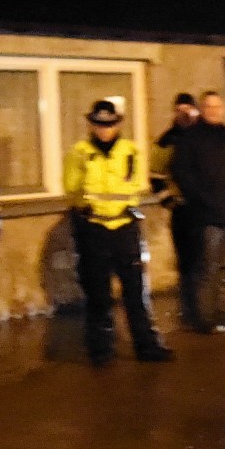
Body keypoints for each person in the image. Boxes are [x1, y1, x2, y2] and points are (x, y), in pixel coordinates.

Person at [64, 100, 173, 366]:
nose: (104, 129)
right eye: (100, 124)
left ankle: (146, 346)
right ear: (91, 124)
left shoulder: (130, 150)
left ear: (118, 123)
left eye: (110, 124)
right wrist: (86, 209)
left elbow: (136, 184)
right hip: (94, 227)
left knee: (136, 291)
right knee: (98, 292)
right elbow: (71, 187)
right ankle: (101, 349)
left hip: (124, 226)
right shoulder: (79, 152)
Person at [169, 91, 225, 333]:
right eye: (209, 106)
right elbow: (182, 174)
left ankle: (224, 310)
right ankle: (204, 316)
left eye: (218, 106)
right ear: (202, 109)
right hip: (205, 216)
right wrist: (204, 201)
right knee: (206, 268)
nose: (214, 111)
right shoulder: (191, 139)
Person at [150, 93, 201, 325]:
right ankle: (190, 310)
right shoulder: (166, 141)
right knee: (187, 262)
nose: (185, 114)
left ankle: (206, 307)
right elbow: (155, 177)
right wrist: (170, 202)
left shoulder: (205, 135)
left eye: (189, 109)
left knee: (208, 261)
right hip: (183, 211)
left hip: (207, 208)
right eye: (180, 109)